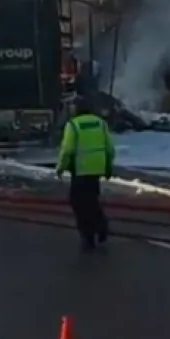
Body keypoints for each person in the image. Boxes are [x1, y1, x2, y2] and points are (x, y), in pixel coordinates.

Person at [55, 101, 115, 252]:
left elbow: (67, 150)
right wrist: (108, 167)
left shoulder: (73, 125)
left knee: (78, 203)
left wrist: (61, 168)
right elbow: (110, 148)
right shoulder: (100, 123)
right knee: (92, 200)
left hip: (80, 169)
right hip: (97, 169)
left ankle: (88, 236)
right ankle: (101, 226)